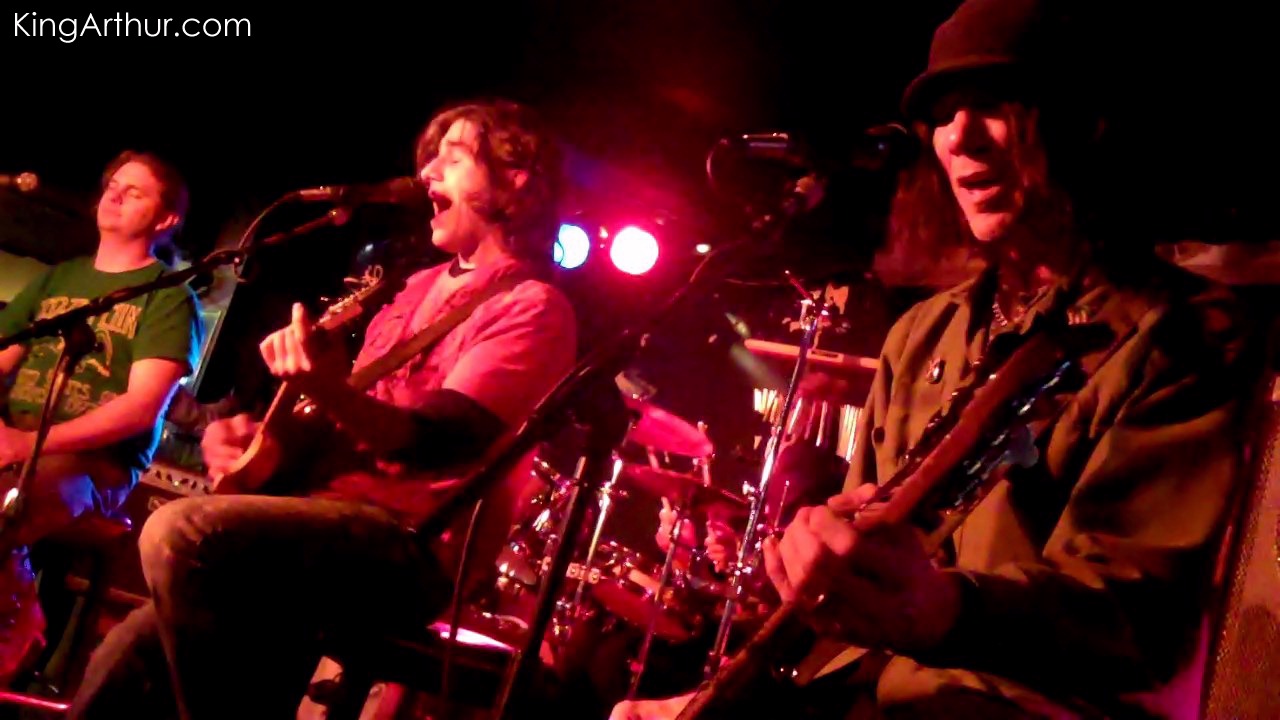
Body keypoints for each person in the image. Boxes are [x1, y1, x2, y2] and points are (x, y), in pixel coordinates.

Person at [611, 0, 1267, 718]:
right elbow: (857, 618)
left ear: (1078, 121)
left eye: (992, 103)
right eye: (943, 115)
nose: (959, 137)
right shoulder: (921, 336)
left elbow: (1137, 622)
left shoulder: (1182, 332)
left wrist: (946, 611)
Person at [67, 98, 579, 719]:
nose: (427, 174)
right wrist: (260, 444)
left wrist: (326, 388)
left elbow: (437, 443)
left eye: (454, 158)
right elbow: (355, 421)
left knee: (181, 533)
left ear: (515, 181)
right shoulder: (414, 286)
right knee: (127, 653)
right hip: (328, 517)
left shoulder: (532, 306)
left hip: (412, 547)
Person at [0, 150, 203, 681]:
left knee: (8, 499)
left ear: (165, 218)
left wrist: (26, 445)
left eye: (134, 191)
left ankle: (17, 625)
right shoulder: (58, 279)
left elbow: (139, 409)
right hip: (16, 441)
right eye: (113, 184)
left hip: (93, 465)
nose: (114, 194)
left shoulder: (169, 297)